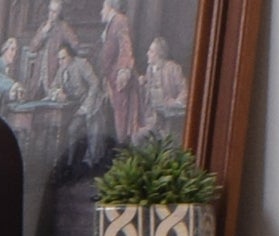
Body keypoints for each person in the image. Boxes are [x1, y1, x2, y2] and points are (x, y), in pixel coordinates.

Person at [48, 39, 105, 169]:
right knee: (72, 130)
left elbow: (94, 83)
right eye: (59, 59)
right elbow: (53, 87)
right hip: (76, 107)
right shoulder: (62, 70)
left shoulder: (81, 64)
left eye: (63, 58)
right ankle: (70, 162)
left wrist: (87, 105)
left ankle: (91, 163)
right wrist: (57, 93)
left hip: (92, 103)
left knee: (93, 132)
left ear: (70, 56)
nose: (61, 62)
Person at [100, 0, 139, 146]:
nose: (101, 12)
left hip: (119, 78)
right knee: (116, 116)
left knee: (122, 118)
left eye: (103, 8)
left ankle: (123, 150)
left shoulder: (120, 20)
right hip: (111, 77)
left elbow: (125, 45)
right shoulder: (112, 23)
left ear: (110, 7)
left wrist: (123, 69)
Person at [136, 36, 189, 139]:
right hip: (152, 119)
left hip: (168, 120)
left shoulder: (172, 68)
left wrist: (176, 102)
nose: (147, 53)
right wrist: (143, 82)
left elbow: (184, 90)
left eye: (151, 51)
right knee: (137, 137)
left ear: (159, 54)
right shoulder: (149, 69)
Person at [27, 0, 81, 98]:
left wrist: (65, 56)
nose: (51, 14)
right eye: (50, 11)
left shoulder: (63, 27)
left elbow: (75, 45)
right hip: (39, 73)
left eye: (54, 12)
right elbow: (32, 48)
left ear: (59, 13)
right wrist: (44, 32)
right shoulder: (43, 26)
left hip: (54, 72)